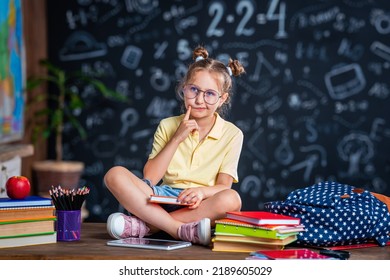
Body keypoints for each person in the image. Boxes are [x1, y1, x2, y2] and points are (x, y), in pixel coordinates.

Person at [104, 46, 246, 246]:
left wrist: (201, 192)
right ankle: (178, 230)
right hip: (162, 199)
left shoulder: (232, 134)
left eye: (210, 94)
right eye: (194, 90)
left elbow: (224, 186)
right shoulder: (168, 125)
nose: (199, 100)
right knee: (114, 174)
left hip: (199, 205)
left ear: (222, 99)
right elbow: (150, 178)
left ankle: (148, 227)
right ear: (184, 88)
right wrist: (177, 138)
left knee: (232, 199)